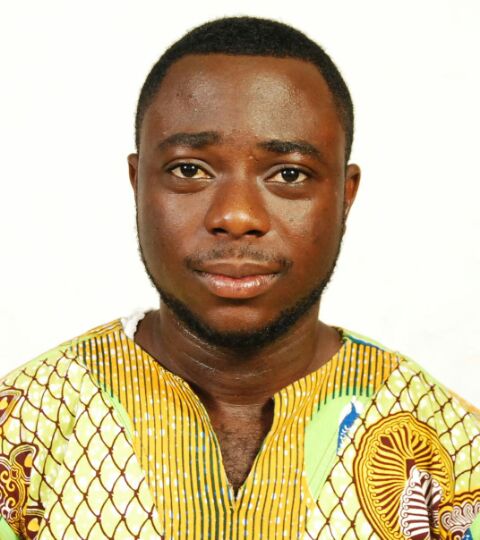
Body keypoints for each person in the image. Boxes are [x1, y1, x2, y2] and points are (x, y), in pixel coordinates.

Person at [1, 16, 479, 540]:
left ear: (345, 195)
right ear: (137, 183)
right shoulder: (23, 433)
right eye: (189, 169)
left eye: (289, 174)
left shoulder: (456, 456)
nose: (236, 215)